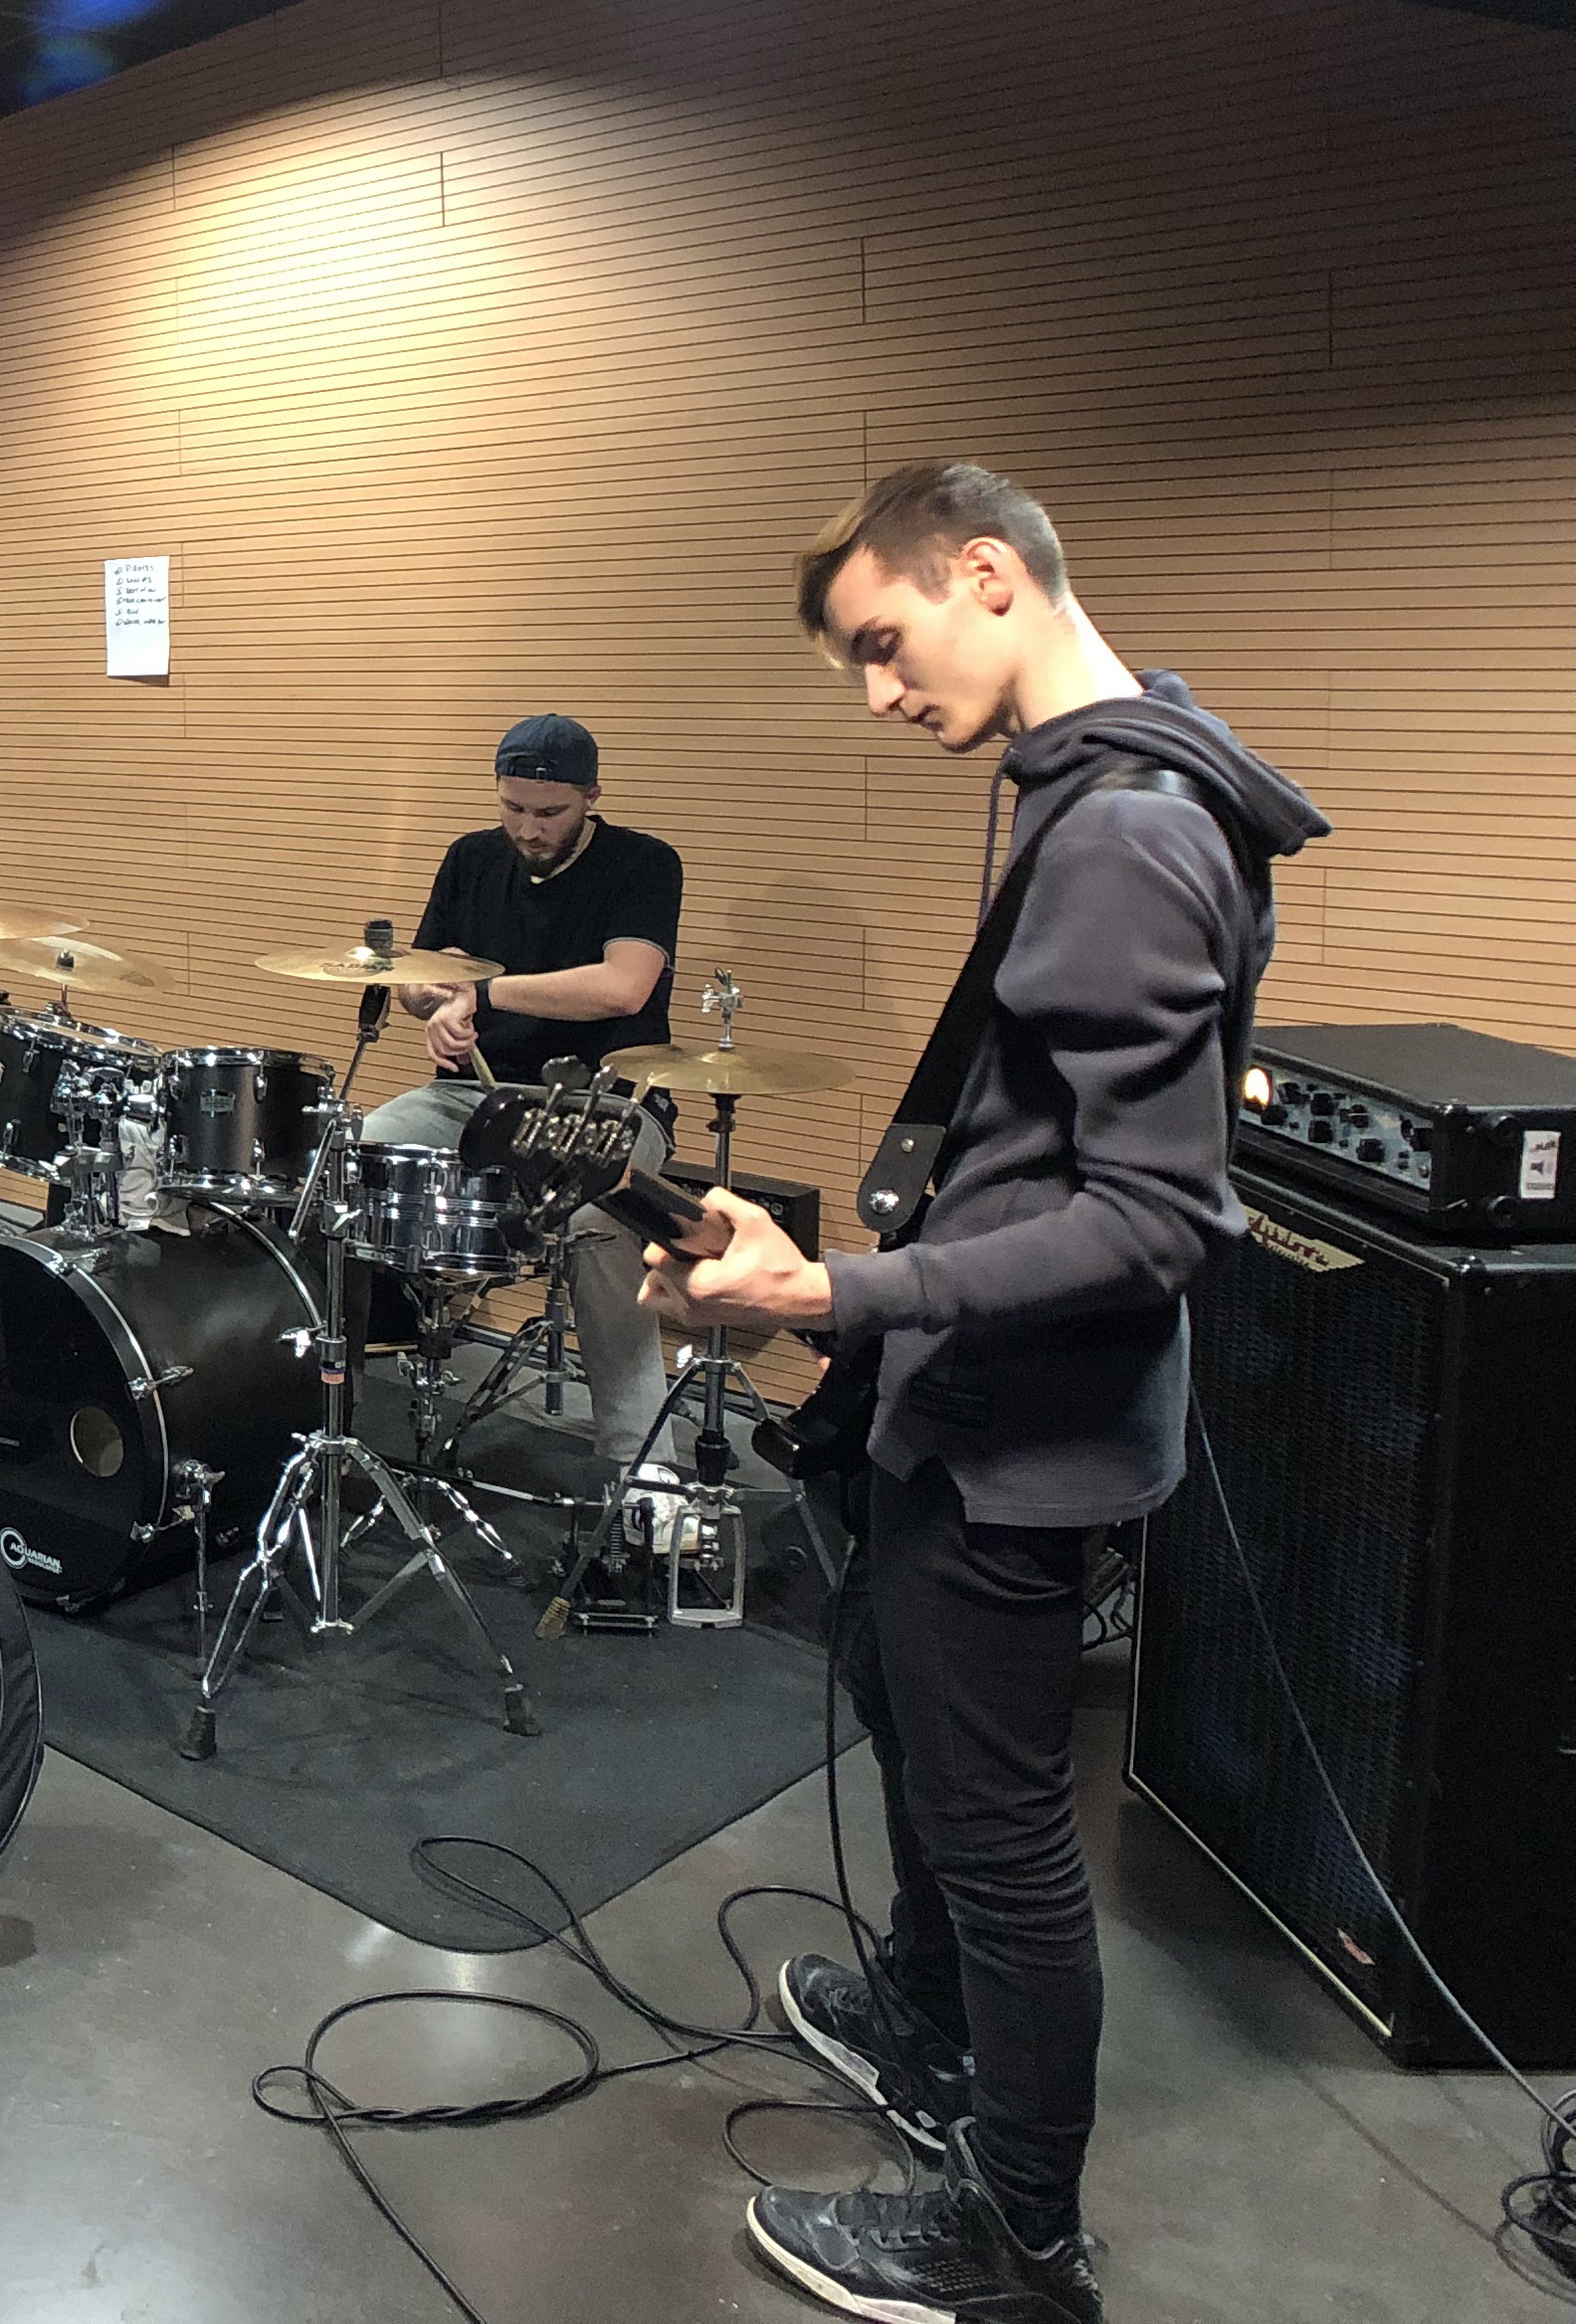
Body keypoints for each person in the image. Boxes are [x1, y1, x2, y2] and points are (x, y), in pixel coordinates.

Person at [648, 464, 1324, 2324]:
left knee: (1008, 1833)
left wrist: (834, 1288)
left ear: (985, 573)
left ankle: (1018, 2242)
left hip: (1024, 1441)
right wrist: (836, 1286)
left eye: (887, 641)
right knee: (904, 1699)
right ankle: (928, 2017)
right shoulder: (1106, 782)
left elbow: (1155, 1220)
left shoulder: (1123, 834)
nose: (879, 693)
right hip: (976, 1402)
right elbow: (1033, 1150)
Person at [363, 712, 681, 1474]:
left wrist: (486, 991)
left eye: (550, 812)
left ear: (591, 797)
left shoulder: (643, 863)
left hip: (604, 1105)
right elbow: (418, 979)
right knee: (357, 1159)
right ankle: (336, 1403)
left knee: (602, 1220)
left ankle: (645, 1472)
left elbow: (624, 986)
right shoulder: (470, 857)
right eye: (513, 808)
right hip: (473, 1099)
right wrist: (436, 1001)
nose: (530, 829)